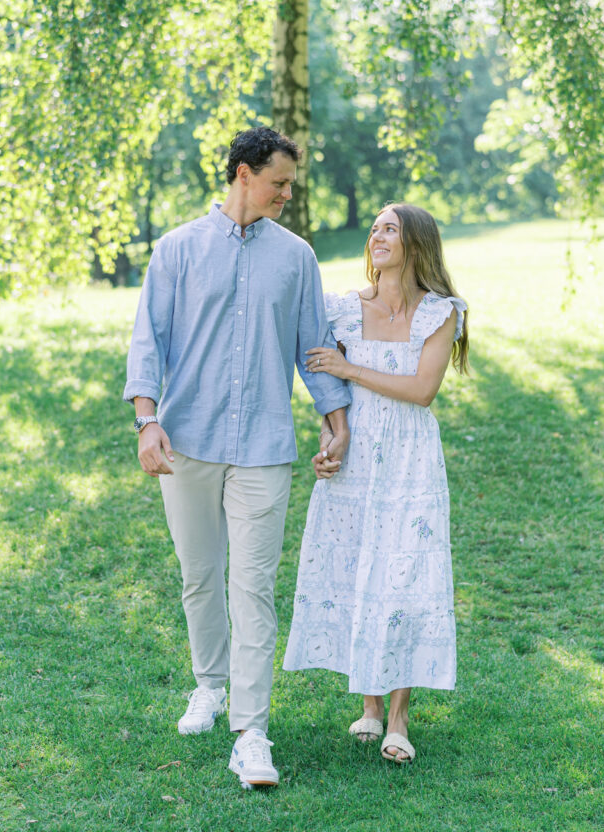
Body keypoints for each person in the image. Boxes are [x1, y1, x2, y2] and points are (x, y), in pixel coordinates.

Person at [123, 127, 351, 789]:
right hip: (186, 442)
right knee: (200, 576)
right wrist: (146, 422)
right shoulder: (177, 250)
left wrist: (334, 422)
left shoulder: (296, 258)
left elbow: (314, 344)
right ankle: (209, 685)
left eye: (289, 184)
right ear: (243, 174)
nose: (286, 194)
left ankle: (251, 733)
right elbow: (148, 342)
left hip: (263, 449)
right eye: (279, 182)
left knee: (251, 589)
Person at [283, 203, 469, 764]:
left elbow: (421, 390)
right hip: (357, 453)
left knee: (405, 573)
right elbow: (330, 396)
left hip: (411, 459)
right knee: (361, 564)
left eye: (389, 228)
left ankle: (399, 715)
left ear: (416, 243)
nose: (377, 236)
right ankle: (367, 705)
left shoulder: (440, 313)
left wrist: (350, 368)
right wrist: (329, 440)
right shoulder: (341, 309)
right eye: (374, 230)